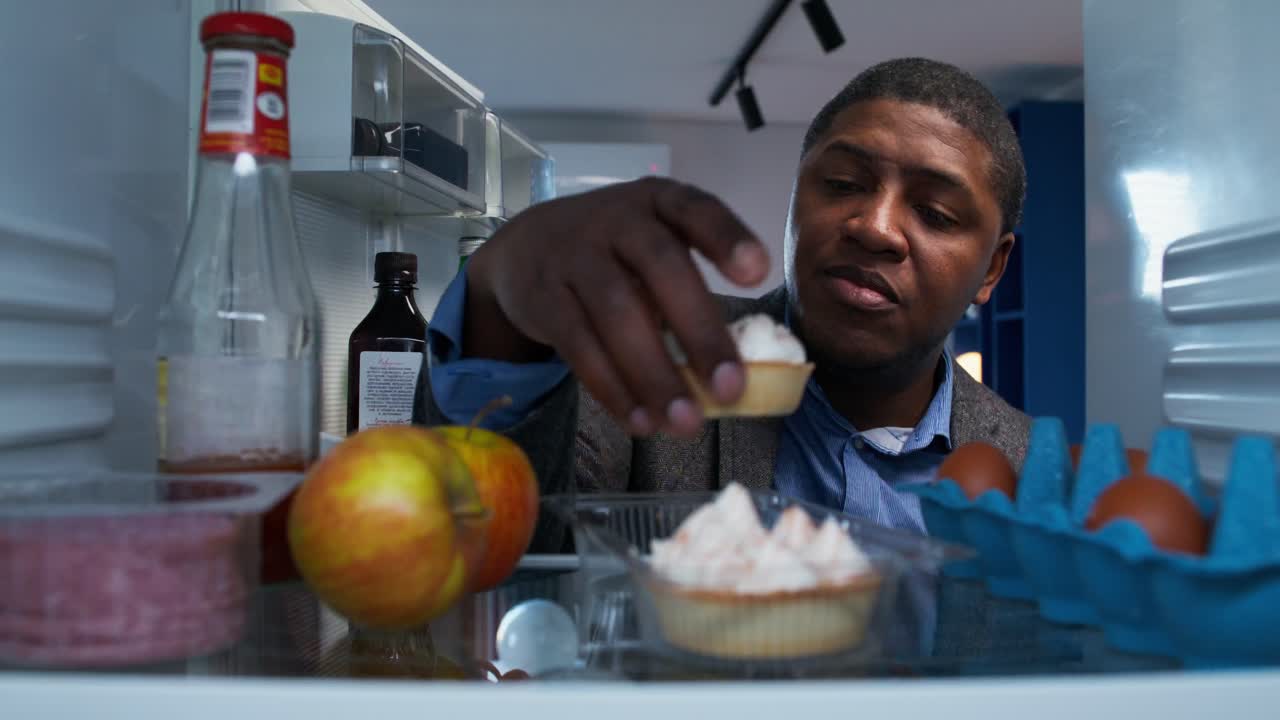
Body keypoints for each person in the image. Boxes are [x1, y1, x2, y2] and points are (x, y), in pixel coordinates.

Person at [421, 57, 1031, 549]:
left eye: (935, 213)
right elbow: (496, 543)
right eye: (843, 184)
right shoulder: (657, 359)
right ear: (795, 199)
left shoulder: (1030, 475)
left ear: (992, 268)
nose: (874, 227)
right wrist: (498, 315)